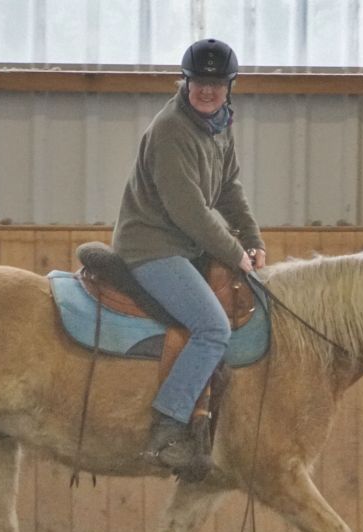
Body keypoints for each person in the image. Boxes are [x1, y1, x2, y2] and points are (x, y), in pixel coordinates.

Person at [111, 38, 268, 470]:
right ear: (186, 81)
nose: (207, 90)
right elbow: (190, 211)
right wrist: (235, 252)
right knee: (212, 327)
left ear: (229, 87)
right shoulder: (171, 130)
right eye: (199, 81)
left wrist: (253, 238)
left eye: (216, 84)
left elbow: (229, 188)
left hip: (184, 246)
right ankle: (168, 427)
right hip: (152, 247)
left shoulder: (219, 125)